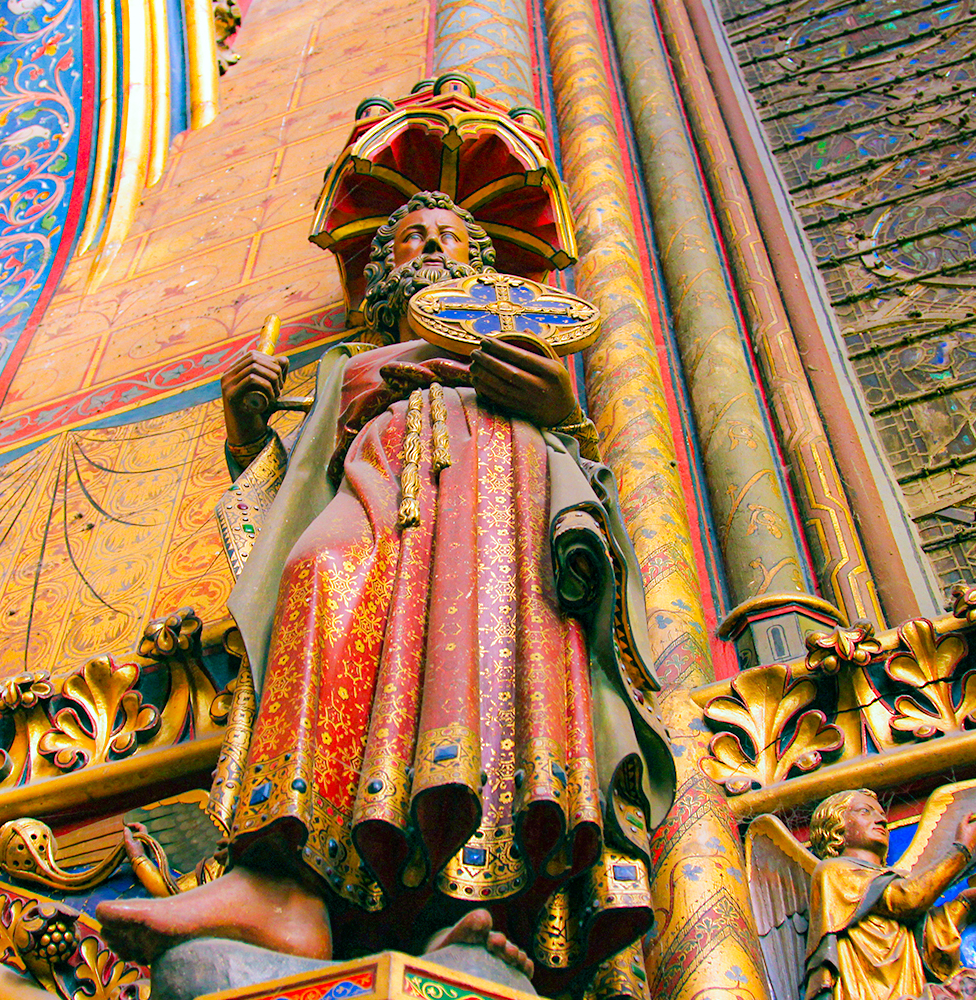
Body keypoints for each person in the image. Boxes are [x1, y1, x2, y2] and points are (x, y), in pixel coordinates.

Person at [98, 193, 674, 989]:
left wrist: (559, 412)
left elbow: (582, 464)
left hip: (494, 487)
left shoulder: (504, 341)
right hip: (372, 489)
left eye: (447, 238)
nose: (430, 249)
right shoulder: (346, 369)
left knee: (481, 670)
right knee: (314, 575)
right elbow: (277, 512)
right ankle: (285, 886)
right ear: (381, 275)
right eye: (410, 239)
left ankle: (477, 915)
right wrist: (245, 432)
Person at [804, 790, 976, 1000]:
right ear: (836, 830)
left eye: (882, 814)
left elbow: (927, 939)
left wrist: (968, 903)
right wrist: (962, 850)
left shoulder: (893, 880)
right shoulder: (833, 872)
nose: (881, 820)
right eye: (865, 811)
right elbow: (908, 899)